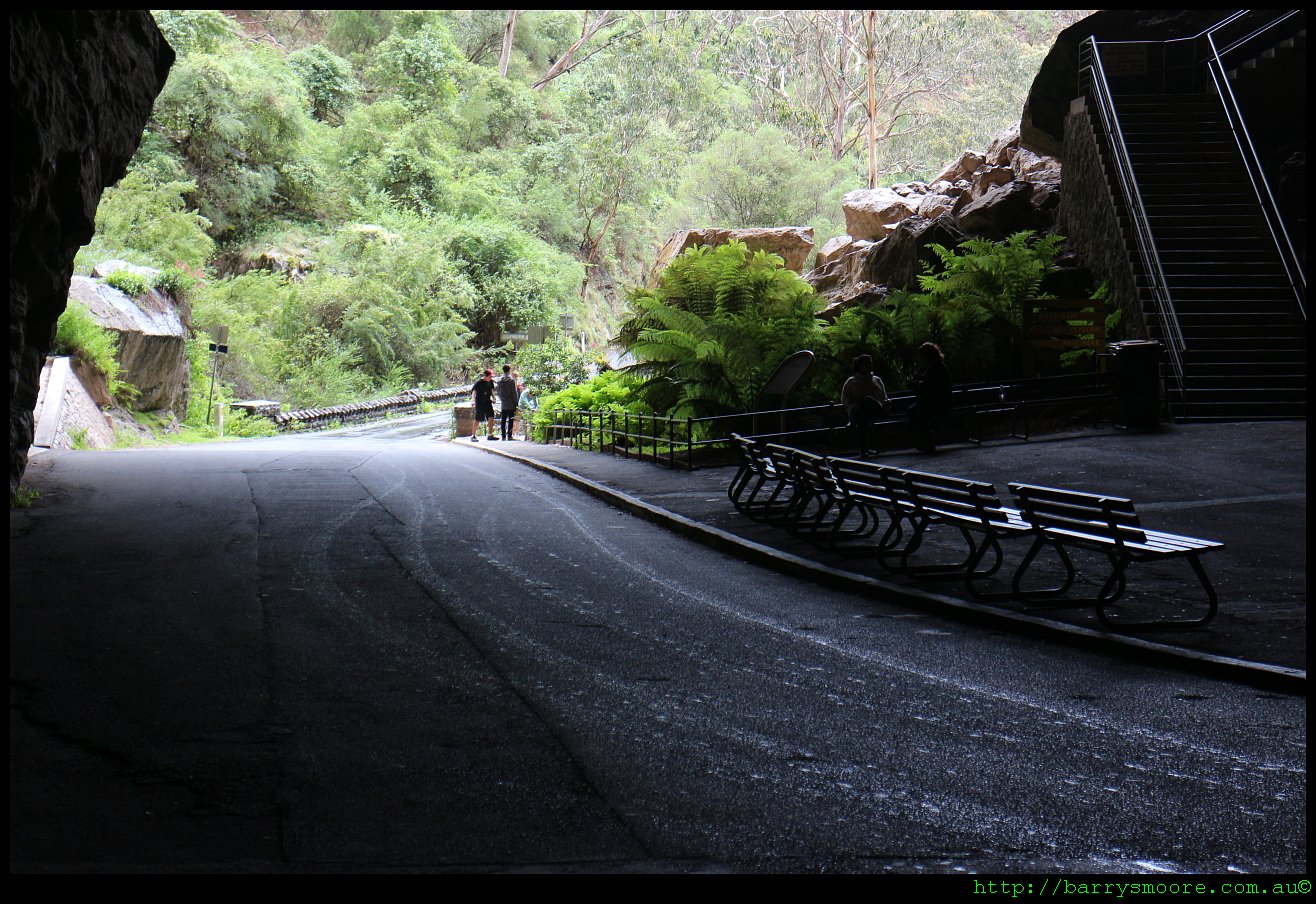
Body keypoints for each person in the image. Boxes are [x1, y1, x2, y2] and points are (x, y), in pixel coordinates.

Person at [840, 354, 891, 459]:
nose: (869, 366)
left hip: (875, 411)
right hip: (859, 413)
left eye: (870, 364)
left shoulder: (876, 380)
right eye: (866, 364)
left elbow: (883, 397)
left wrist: (886, 402)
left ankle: (854, 422)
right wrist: (856, 400)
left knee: (867, 400)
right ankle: (864, 449)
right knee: (863, 420)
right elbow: (844, 400)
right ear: (859, 366)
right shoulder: (851, 382)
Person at [907, 342, 952, 453]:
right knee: (914, 412)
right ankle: (924, 441)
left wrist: (914, 384)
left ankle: (926, 441)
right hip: (934, 402)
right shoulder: (932, 368)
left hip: (938, 404)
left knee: (919, 414)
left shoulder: (936, 368)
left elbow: (930, 387)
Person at [470, 369, 496, 442]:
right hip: (480, 403)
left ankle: (490, 434)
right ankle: (473, 435)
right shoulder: (479, 382)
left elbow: (491, 390)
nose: (491, 378)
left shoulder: (490, 382)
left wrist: (493, 397)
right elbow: (474, 392)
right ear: (486, 376)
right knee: (478, 419)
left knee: (491, 417)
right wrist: (473, 401)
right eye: (490, 377)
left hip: (488, 402)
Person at [496, 364, 520, 441]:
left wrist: (501, 399)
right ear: (509, 370)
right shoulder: (511, 381)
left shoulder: (499, 381)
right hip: (511, 402)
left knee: (503, 420)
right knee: (510, 419)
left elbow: (498, 392)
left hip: (503, 403)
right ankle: (509, 435)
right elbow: (514, 393)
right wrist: (516, 404)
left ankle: (503, 435)